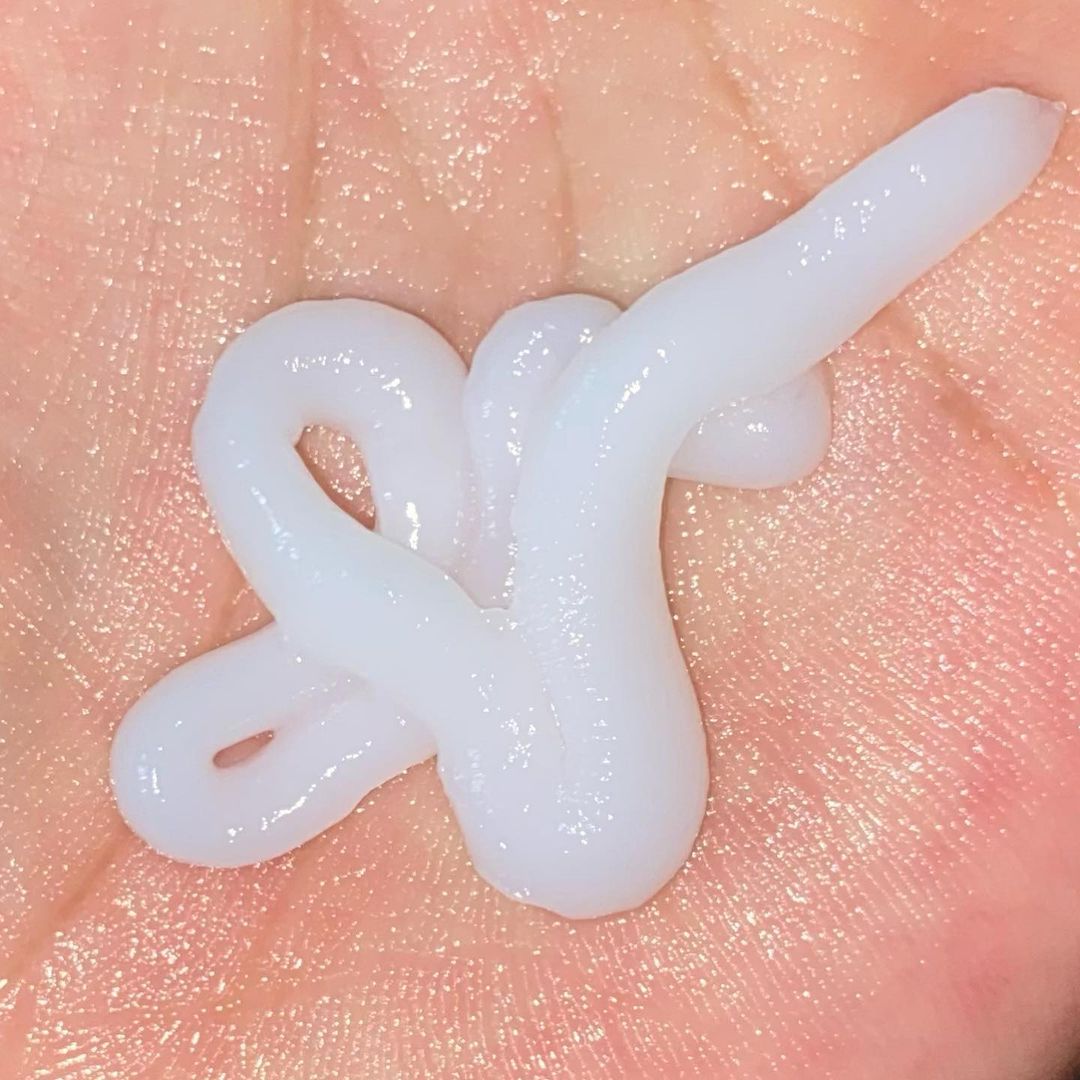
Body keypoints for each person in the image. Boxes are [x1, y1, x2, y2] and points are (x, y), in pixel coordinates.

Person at [1, 1, 1078, 1077]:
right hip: (563, 758)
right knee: (593, 404)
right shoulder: (545, 762)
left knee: (598, 403)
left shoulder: (517, 521)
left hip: (558, 698)